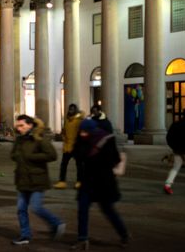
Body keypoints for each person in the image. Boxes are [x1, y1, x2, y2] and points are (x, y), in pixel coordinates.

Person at [71, 118, 129, 249]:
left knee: (108, 210)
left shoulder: (106, 139)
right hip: (87, 180)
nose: (82, 134)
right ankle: (82, 239)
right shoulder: (82, 139)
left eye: (85, 132)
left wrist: (96, 158)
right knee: (82, 209)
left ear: (92, 130)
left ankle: (124, 234)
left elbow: (115, 159)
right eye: (81, 131)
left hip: (103, 181)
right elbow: (77, 154)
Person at [10, 114, 65, 245]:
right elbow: (13, 154)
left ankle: (57, 223)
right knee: (21, 209)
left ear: (30, 125)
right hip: (22, 178)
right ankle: (25, 235)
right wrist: (18, 156)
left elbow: (52, 155)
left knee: (36, 207)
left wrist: (32, 157)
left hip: (37, 179)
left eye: (22, 125)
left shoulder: (39, 138)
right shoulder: (19, 139)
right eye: (18, 126)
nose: (19, 128)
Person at [56, 104, 84, 188]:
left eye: (72, 109)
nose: (71, 110)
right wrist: (63, 137)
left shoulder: (79, 120)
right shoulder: (67, 120)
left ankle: (79, 181)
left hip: (76, 146)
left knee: (79, 165)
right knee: (63, 165)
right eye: (70, 109)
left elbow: (82, 132)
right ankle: (62, 181)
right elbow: (64, 131)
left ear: (75, 110)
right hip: (67, 146)